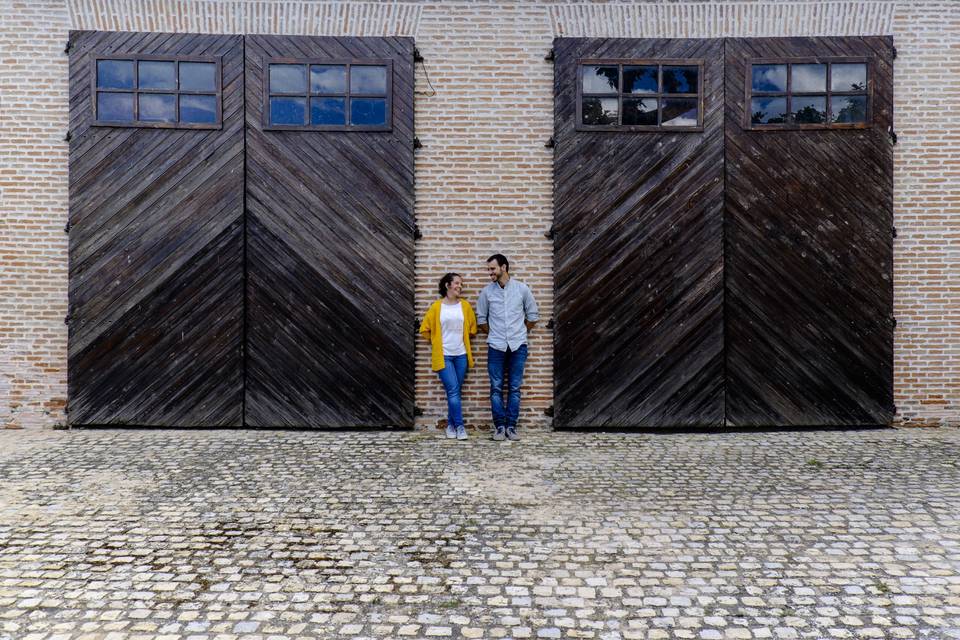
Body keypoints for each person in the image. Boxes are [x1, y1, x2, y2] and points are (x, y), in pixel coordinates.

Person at [476, 254, 539, 441]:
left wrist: (520, 332)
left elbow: (533, 316)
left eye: (492, 269)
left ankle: (511, 427)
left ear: (503, 267)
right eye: (488, 269)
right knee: (495, 388)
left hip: (518, 345)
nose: (490, 273)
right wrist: (494, 333)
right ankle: (499, 427)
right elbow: (481, 319)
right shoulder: (487, 292)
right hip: (495, 346)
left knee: (514, 388)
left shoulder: (522, 289)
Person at [419, 272, 477, 440]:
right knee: (453, 390)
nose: (460, 286)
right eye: (457, 283)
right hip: (444, 355)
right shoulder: (437, 307)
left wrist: (461, 337)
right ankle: (460, 427)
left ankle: (451, 426)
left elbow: (472, 329)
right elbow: (425, 329)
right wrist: (436, 341)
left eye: (461, 284)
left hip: (461, 355)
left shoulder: (465, 306)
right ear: (447, 285)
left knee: (455, 392)